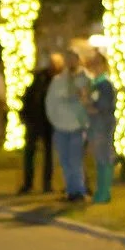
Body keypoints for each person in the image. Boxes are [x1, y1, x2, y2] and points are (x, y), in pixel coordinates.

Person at [45, 51, 91, 202]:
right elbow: (50, 102)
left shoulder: (85, 79)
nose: (70, 62)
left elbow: (90, 100)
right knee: (65, 161)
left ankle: (78, 191)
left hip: (77, 126)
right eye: (68, 59)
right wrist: (55, 119)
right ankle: (70, 190)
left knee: (75, 160)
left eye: (73, 59)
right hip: (60, 126)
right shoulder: (58, 80)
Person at [18, 53, 60, 194]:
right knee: (30, 152)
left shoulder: (58, 80)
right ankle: (28, 183)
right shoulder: (39, 78)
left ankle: (46, 184)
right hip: (35, 119)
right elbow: (29, 96)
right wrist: (24, 114)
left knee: (48, 154)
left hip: (49, 121)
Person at [84, 50, 117, 204]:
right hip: (97, 125)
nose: (94, 66)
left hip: (102, 125)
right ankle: (101, 192)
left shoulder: (104, 84)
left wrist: (89, 104)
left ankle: (103, 193)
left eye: (97, 63)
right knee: (100, 159)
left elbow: (103, 106)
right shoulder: (96, 83)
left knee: (103, 158)